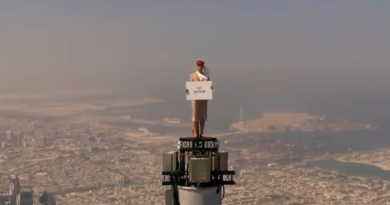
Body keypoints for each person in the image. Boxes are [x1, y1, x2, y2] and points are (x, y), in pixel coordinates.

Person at [186, 60, 213, 138]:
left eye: (201, 66)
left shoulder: (206, 76)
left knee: (202, 114)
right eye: (198, 66)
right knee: (195, 113)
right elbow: (190, 86)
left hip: (203, 98)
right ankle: (195, 131)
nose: (199, 68)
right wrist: (188, 90)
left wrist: (210, 87)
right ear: (196, 66)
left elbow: (209, 85)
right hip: (195, 98)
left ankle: (202, 132)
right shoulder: (193, 76)